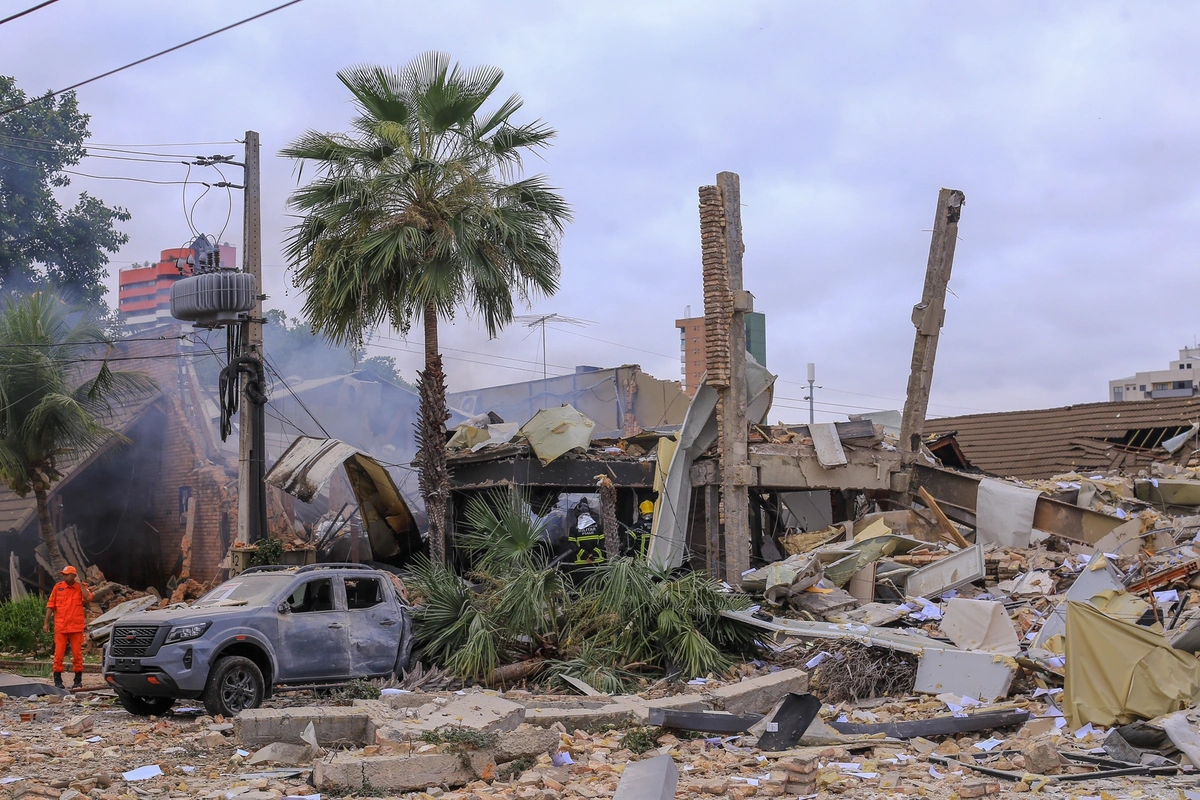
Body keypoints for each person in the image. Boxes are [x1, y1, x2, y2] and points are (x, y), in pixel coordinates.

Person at [42, 565, 94, 689]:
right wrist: (46, 622)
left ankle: (77, 680)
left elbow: (88, 598)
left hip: (76, 628)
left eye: (67, 574)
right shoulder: (58, 587)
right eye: (64, 574)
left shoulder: (81, 588)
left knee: (77, 655)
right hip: (61, 627)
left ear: (74, 576)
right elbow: (51, 605)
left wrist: (80, 584)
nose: (64, 576)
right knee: (58, 654)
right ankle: (58, 681)